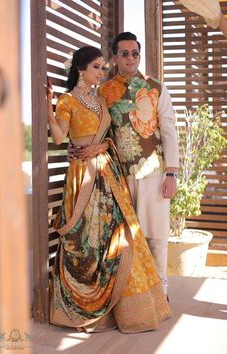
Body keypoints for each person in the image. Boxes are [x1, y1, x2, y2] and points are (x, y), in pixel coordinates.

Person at [46, 46, 171, 334]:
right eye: (96, 67)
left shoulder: (101, 100)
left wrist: (100, 146)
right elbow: (59, 137)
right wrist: (50, 108)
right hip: (83, 175)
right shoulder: (67, 100)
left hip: (107, 171)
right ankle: (87, 307)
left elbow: (110, 136)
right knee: (88, 236)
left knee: (119, 235)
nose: (102, 72)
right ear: (81, 70)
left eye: (104, 67)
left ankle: (126, 308)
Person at [97, 32, 180, 296]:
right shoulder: (104, 92)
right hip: (119, 176)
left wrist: (171, 174)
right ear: (115, 57)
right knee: (125, 237)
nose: (130, 58)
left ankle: (161, 288)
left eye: (135, 53)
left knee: (157, 235)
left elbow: (169, 131)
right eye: (124, 53)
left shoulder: (157, 88)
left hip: (153, 173)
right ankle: (130, 293)